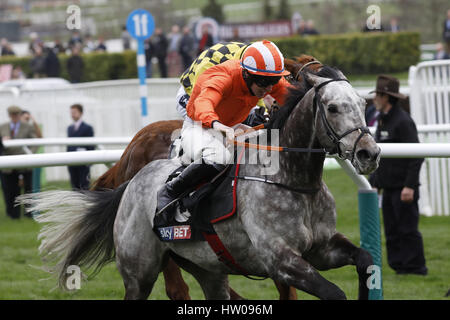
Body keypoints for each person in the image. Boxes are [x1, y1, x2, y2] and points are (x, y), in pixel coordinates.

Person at [156, 40, 291, 218]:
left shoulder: (264, 80)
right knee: (219, 157)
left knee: (270, 147)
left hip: (231, 126)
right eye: (264, 82)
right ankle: (170, 190)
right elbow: (204, 104)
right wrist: (220, 127)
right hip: (200, 125)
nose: (269, 88)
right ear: (247, 74)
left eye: (274, 81)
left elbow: (297, 98)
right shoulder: (224, 76)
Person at [368, 75, 428, 276]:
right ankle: (399, 267)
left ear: (386, 97)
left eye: (377, 94)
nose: (374, 98)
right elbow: (380, 157)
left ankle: (416, 268)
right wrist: (374, 182)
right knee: (392, 230)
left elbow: (416, 156)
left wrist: (410, 186)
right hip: (388, 187)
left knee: (408, 230)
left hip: (404, 188)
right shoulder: (383, 121)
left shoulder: (403, 121)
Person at [0, 106, 38, 219]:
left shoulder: (27, 127)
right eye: (12, 114)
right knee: (9, 190)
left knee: (27, 189)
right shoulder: (3, 127)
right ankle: (12, 214)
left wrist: (29, 155)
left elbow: (35, 142)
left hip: (24, 163)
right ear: (9, 115)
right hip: (8, 164)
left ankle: (29, 213)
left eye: (16, 114)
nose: (15, 116)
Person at [67, 104, 94, 190]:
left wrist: (89, 161)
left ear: (81, 113)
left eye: (74, 112)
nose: (72, 114)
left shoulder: (88, 128)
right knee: (74, 186)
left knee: (84, 185)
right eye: (71, 112)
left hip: (83, 162)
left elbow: (91, 145)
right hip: (71, 162)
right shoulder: (69, 128)